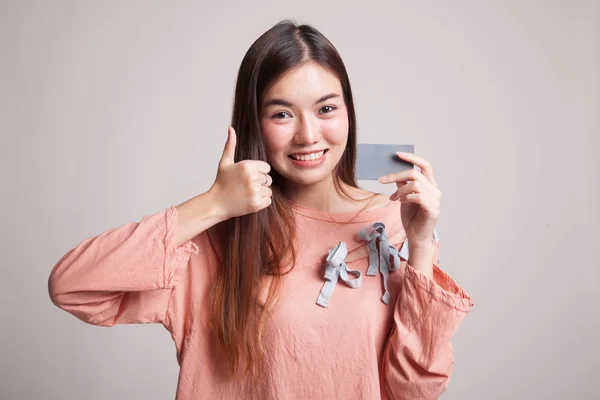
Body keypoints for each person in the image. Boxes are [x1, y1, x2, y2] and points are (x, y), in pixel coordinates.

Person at [48, 19, 474, 400]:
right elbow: (72, 286)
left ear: (348, 112)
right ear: (255, 123)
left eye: (326, 108)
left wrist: (419, 247)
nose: (308, 135)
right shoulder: (218, 237)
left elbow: (415, 391)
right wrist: (212, 204)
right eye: (282, 113)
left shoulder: (394, 227)